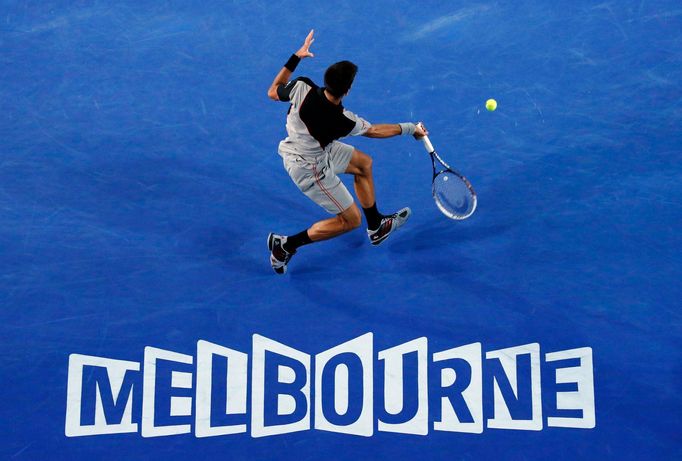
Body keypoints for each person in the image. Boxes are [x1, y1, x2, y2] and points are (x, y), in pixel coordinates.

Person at [266, 30, 427, 274]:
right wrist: (410, 128)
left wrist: (296, 56)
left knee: (363, 164)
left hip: (313, 146)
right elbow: (373, 131)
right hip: (309, 169)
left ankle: (377, 226)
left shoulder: (301, 86)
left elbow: (272, 90)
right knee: (351, 220)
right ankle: (286, 246)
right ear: (348, 91)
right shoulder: (341, 121)